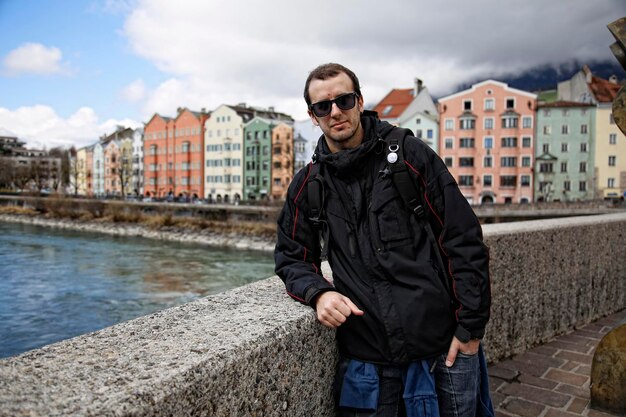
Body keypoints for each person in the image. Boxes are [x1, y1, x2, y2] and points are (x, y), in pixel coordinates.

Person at [275, 63, 492, 417]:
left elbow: (463, 238)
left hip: (442, 351)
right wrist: (319, 292)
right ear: (313, 116)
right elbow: (292, 256)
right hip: (368, 362)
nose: (335, 112)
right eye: (322, 107)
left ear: (359, 101)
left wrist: (470, 328)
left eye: (344, 100)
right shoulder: (309, 183)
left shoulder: (409, 156)